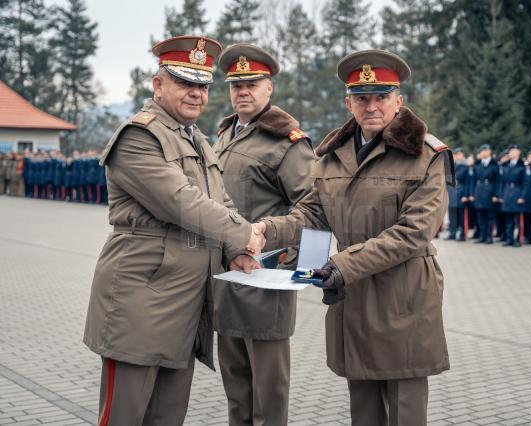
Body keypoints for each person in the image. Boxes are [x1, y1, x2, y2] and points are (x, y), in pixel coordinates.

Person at [256, 49, 454, 426]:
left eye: (381, 96)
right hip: (352, 295)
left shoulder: (426, 155)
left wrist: (341, 265)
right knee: (362, 407)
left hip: (404, 295)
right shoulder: (332, 157)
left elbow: (413, 233)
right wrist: (264, 231)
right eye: (362, 98)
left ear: (399, 100)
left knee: (404, 408)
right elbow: (312, 213)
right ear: (349, 102)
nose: (372, 106)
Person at [83, 35, 265, 425]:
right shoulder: (138, 137)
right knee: (124, 417)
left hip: (185, 305)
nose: (196, 94)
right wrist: (243, 234)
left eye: (202, 85)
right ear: (158, 84)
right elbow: (182, 202)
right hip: (141, 301)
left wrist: (238, 247)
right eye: (185, 82)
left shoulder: (197, 140)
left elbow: (220, 202)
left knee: (167, 418)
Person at [212, 43, 315, 426]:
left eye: (252, 84)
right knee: (236, 387)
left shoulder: (286, 141)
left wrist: (305, 270)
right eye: (236, 85)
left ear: (269, 88)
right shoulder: (225, 135)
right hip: (226, 278)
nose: (243, 92)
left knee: (268, 394)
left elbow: (315, 209)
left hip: (266, 281)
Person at [470, 144, 500, 244]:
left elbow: (498, 181)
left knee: (490, 217)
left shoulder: (494, 165)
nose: (484, 152)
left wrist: (496, 195)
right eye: (482, 151)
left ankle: (489, 237)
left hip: (490, 192)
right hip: (478, 192)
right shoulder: (477, 164)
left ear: (490, 152)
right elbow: (473, 180)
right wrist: (472, 193)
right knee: (480, 216)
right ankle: (482, 236)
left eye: (486, 150)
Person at [500, 144, 526, 247]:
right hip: (507, 192)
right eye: (510, 151)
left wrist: (522, 196)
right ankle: (509, 239)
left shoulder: (522, 166)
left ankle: (518, 239)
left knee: (518, 219)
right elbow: (502, 181)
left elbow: (525, 183)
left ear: (518, 152)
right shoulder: (506, 165)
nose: (511, 153)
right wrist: (502, 194)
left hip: (517, 192)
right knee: (508, 218)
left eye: (513, 151)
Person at [447, 147, 470, 241]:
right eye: (456, 154)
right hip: (451, 193)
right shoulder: (451, 166)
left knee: (462, 216)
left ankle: (463, 235)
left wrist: (466, 195)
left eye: (459, 154)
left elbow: (468, 183)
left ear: (462, 155)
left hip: (461, 193)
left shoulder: (466, 167)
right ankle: (452, 234)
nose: (457, 156)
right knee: (452, 216)